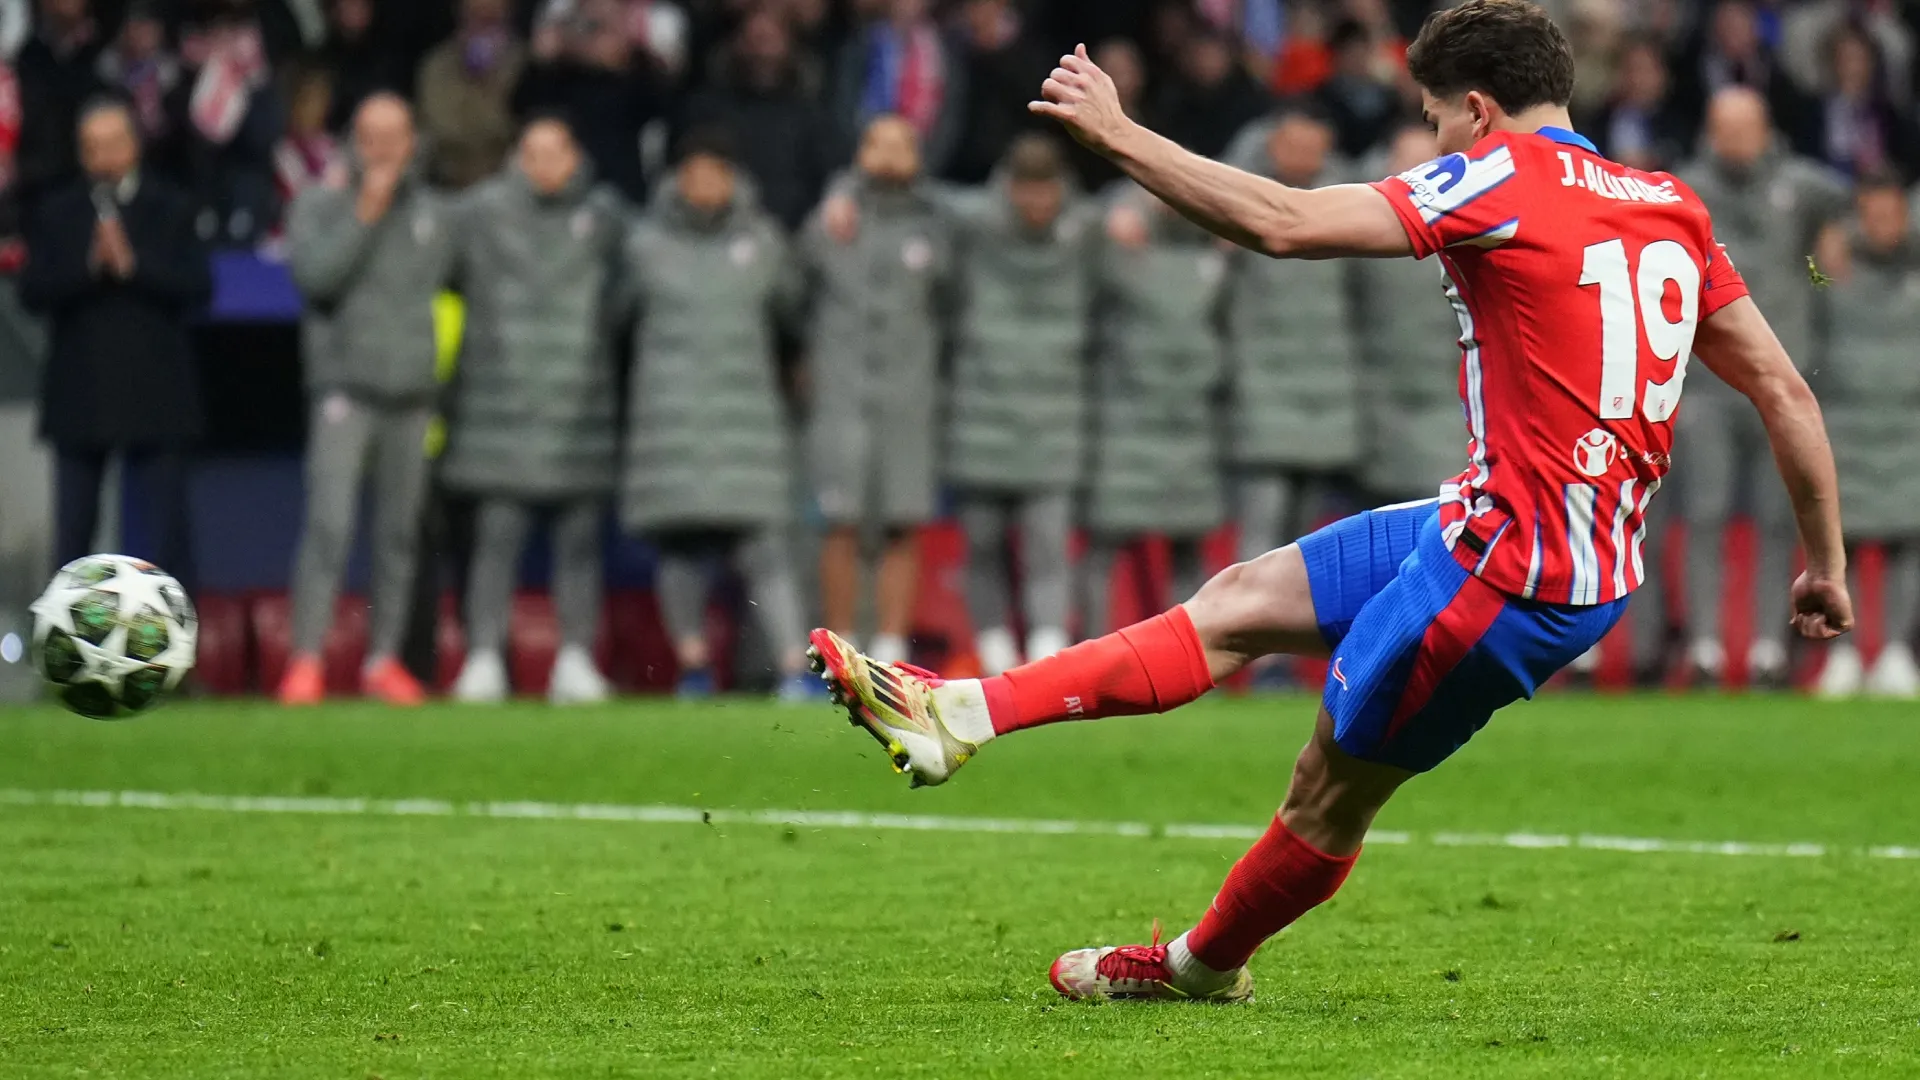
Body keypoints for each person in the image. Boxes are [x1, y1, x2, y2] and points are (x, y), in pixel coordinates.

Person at [807, 0, 1852, 1002]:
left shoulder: (1493, 178)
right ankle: (958, 713)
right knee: (1241, 598)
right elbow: (1784, 390)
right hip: (1504, 529)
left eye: (1436, 116)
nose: (1431, 137)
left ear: (1477, 111)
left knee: (1328, 793)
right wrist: (1824, 566)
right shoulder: (1669, 203)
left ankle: (1198, 969)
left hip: (1508, 582)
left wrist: (1122, 138)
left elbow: (1282, 222)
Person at [620, 130, 815, 700]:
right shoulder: (644, 245)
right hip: (668, 417)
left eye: (715, 173)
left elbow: (795, 315)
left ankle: (792, 668)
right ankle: (694, 665)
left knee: (765, 548)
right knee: (681, 549)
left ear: (734, 180)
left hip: (747, 418)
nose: (704, 185)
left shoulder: (764, 242)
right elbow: (617, 319)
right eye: (693, 173)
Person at [442, 116, 624, 705]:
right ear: (517, 156)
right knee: (495, 545)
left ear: (576, 155)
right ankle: (483, 659)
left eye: (556, 150)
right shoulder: (479, 213)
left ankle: (575, 659)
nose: (544, 163)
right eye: (533, 151)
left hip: (581, 410)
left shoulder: (605, 218)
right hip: (501, 410)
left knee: (579, 547)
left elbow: (632, 288)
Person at [279, 94, 454, 707]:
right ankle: (306, 659)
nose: (381, 148)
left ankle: (382, 661)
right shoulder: (319, 204)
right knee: (328, 525)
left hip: (411, 391)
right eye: (370, 135)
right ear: (353, 139)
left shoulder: (435, 213)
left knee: (399, 535)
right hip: (344, 389)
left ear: (412, 142)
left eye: (394, 136)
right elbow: (315, 278)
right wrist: (365, 211)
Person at [1674, 86, 1849, 687]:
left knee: (1779, 519)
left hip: (1778, 380)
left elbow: (1860, 207)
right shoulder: (1683, 190)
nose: (1736, 140)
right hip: (1703, 385)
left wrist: (1828, 266)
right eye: (1725, 127)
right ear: (1710, 130)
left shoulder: (1802, 188)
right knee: (1704, 515)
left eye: (1746, 127)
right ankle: (1704, 645)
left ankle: (1770, 647)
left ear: (1766, 128)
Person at [21, 98, 209, 589]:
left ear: (134, 145)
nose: (103, 158)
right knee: (73, 541)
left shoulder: (172, 206)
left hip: (156, 393)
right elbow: (32, 292)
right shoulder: (58, 210)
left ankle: (174, 653)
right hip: (81, 395)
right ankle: (68, 655)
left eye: (112, 144)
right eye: (91, 148)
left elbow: (198, 287)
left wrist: (133, 265)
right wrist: (88, 266)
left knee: (167, 537)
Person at [944, 133, 1099, 675]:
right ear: (1008, 189)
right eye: (1026, 191)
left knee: (1048, 551)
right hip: (979, 416)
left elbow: (1147, 203)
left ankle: (1045, 661)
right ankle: (994, 657)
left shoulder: (1088, 234)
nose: (1037, 204)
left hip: (1055, 421)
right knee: (981, 548)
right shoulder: (969, 228)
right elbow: (905, 198)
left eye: (1046, 191)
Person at [805, 114, 950, 668]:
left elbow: (955, 302)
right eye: (878, 143)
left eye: (902, 144)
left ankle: (889, 650)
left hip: (910, 397)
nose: (889, 155)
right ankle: (840, 650)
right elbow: (797, 293)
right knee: (838, 524)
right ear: (858, 151)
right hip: (841, 396)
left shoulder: (937, 225)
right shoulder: (830, 222)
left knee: (901, 523)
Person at [1218, 103, 1360, 580]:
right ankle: (1253, 639)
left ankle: (1279, 646)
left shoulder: (1351, 201)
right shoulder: (1237, 196)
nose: (1300, 157)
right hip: (1261, 385)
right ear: (1271, 142)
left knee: (1306, 536)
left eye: (1311, 148)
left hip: (1326, 388)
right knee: (1260, 527)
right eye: (1291, 145)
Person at [1079, 187, 1227, 640]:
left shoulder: (1218, 257)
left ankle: (1189, 654)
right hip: (1126, 418)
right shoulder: (1113, 237)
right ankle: (1090, 652)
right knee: (1105, 543)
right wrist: (1118, 210)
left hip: (1193, 420)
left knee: (1189, 546)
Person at [1811, 174, 1920, 699]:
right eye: (1871, 215)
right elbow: (1797, 285)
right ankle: (1843, 653)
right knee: (1838, 549)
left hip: (1908, 425)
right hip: (1845, 425)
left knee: (1908, 543)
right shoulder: (1830, 271)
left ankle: (1898, 650)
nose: (1881, 226)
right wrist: (1817, 254)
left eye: (1891, 215)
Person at [415, 0, 526, 192]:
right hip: (443, 188)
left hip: (509, 191)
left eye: (489, 21)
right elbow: (435, 127)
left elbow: (507, 131)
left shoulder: (527, 67)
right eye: (474, 17)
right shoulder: (436, 66)